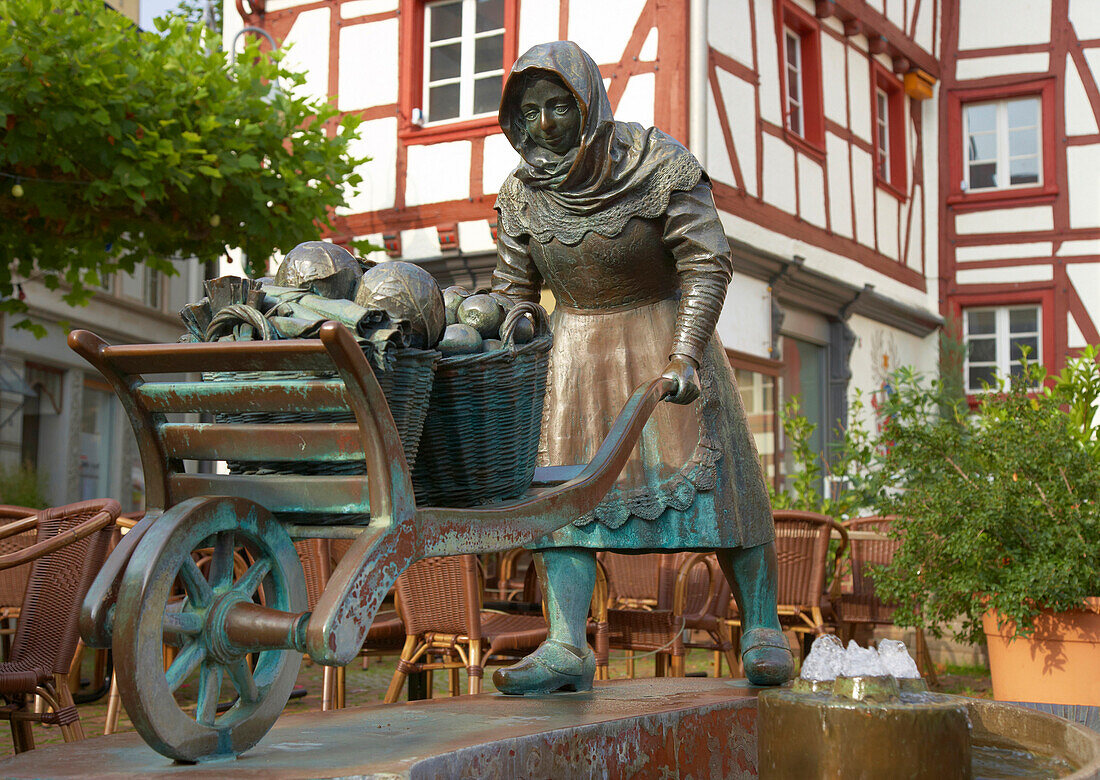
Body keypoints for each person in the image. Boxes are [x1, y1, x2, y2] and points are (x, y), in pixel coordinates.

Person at [490, 41, 793, 694]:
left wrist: (686, 352)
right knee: (560, 503)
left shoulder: (659, 163)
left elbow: (706, 261)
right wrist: (510, 325)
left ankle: (763, 628)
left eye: (558, 108)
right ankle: (567, 643)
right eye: (530, 110)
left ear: (588, 104)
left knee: (727, 494)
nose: (544, 125)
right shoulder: (519, 194)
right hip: (574, 359)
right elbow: (513, 285)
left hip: (666, 342)